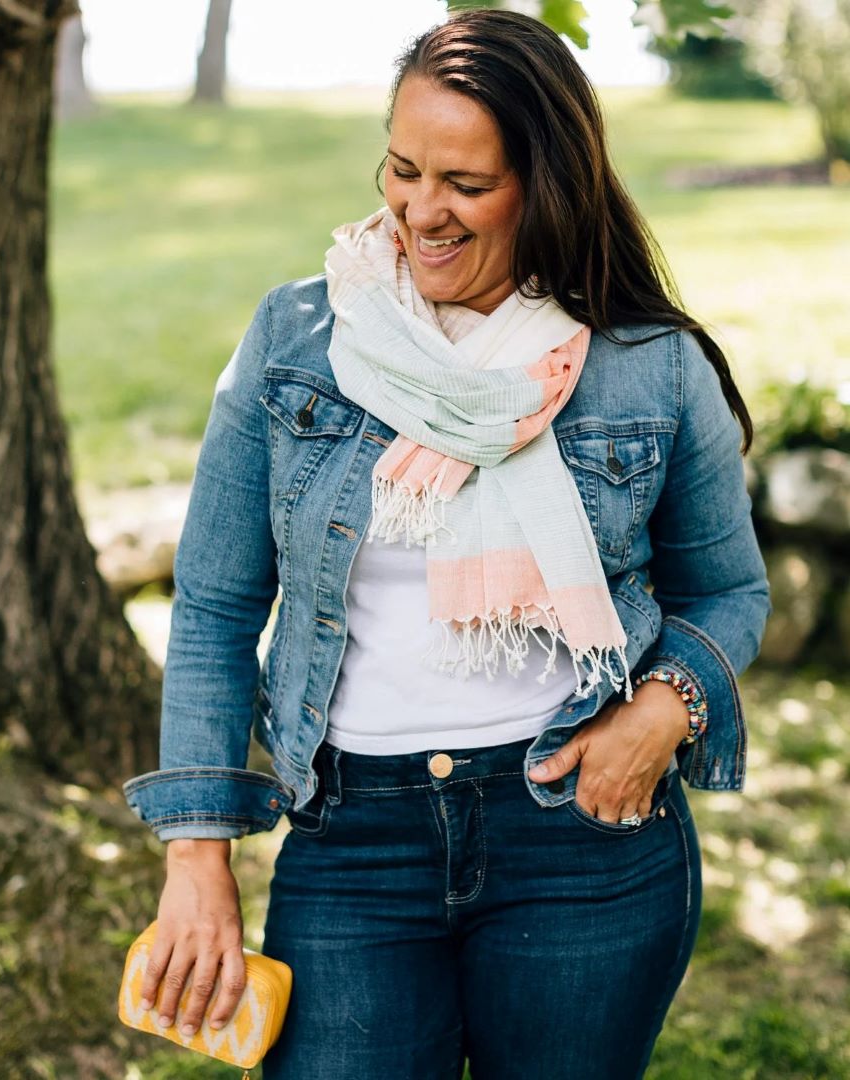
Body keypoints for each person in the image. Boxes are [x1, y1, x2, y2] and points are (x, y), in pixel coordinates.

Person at [122, 10, 770, 1079]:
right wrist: (197, 855)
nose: (423, 210)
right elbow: (216, 601)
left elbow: (731, 590)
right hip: (353, 839)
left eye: (465, 184)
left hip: (579, 837)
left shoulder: (647, 365)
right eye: (403, 169)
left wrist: (664, 710)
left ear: (548, 182)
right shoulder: (300, 342)